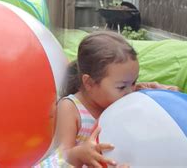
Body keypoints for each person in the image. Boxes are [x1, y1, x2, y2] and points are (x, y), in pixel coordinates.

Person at [55, 31, 178, 167]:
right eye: (122, 86)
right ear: (89, 83)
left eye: (133, 82)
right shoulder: (70, 108)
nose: (131, 91)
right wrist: (80, 154)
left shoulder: (121, 96)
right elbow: (60, 158)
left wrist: (163, 94)